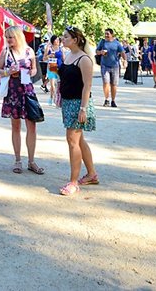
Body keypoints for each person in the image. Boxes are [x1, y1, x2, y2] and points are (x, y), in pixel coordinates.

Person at [57, 26, 98, 196]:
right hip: (68, 102)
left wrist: (83, 108)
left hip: (78, 104)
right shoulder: (68, 55)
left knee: (72, 141)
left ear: (75, 40)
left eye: (66, 37)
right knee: (79, 141)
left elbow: (87, 85)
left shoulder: (84, 59)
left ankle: (73, 182)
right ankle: (91, 174)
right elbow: (63, 77)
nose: (63, 39)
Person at [0, 25, 43, 175]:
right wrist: (8, 71)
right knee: (15, 126)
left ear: (18, 37)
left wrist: (31, 71)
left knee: (32, 126)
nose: (8, 39)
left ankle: (31, 161)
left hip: (27, 90)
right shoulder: (5, 52)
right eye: (7, 37)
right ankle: (18, 160)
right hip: (13, 91)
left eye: (11, 37)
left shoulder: (29, 51)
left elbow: (35, 69)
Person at [95, 29, 124, 107]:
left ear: (112, 34)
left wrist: (125, 60)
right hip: (104, 65)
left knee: (114, 84)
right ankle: (106, 99)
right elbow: (97, 51)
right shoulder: (102, 42)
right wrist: (101, 52)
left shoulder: (117, 43)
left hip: (115, 66)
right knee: (106, 83)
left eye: (107, 34)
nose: (106, 35)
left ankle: (113, 100)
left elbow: (122, 52)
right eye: (105, 34)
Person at [44, 35, 62, 105]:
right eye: (56, 40)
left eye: (58, 40)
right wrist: (49, 56)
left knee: (58, 84)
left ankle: (53, 97)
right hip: (52, 66)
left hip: (59, 67)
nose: (57, 41)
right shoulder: (49, 48)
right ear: (53, 40)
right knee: (52, 84)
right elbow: (44, 58)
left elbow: (64, 58)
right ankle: (54, 98)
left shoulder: (61, 48)